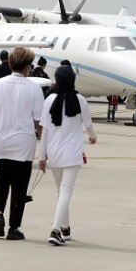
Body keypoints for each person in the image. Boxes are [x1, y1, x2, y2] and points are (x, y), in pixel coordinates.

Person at [0, 47, 45, 241]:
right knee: (19, 185)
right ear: (26, 67)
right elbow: (38, 122)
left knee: (0, 179)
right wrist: (45, 148)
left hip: (0, 140)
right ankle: (13, 227)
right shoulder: (34, 88)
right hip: (23, 143)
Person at [38, 65, 98, 246]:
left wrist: (42, 156)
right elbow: (88, 125)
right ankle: (55, 230)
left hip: (53, 152)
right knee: (65, 191)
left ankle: (65, 228)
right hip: (72, 152)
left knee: (61, 191)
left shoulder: (49, 100)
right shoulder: (80, 100)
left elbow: (45, 131)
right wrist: (93, 138)